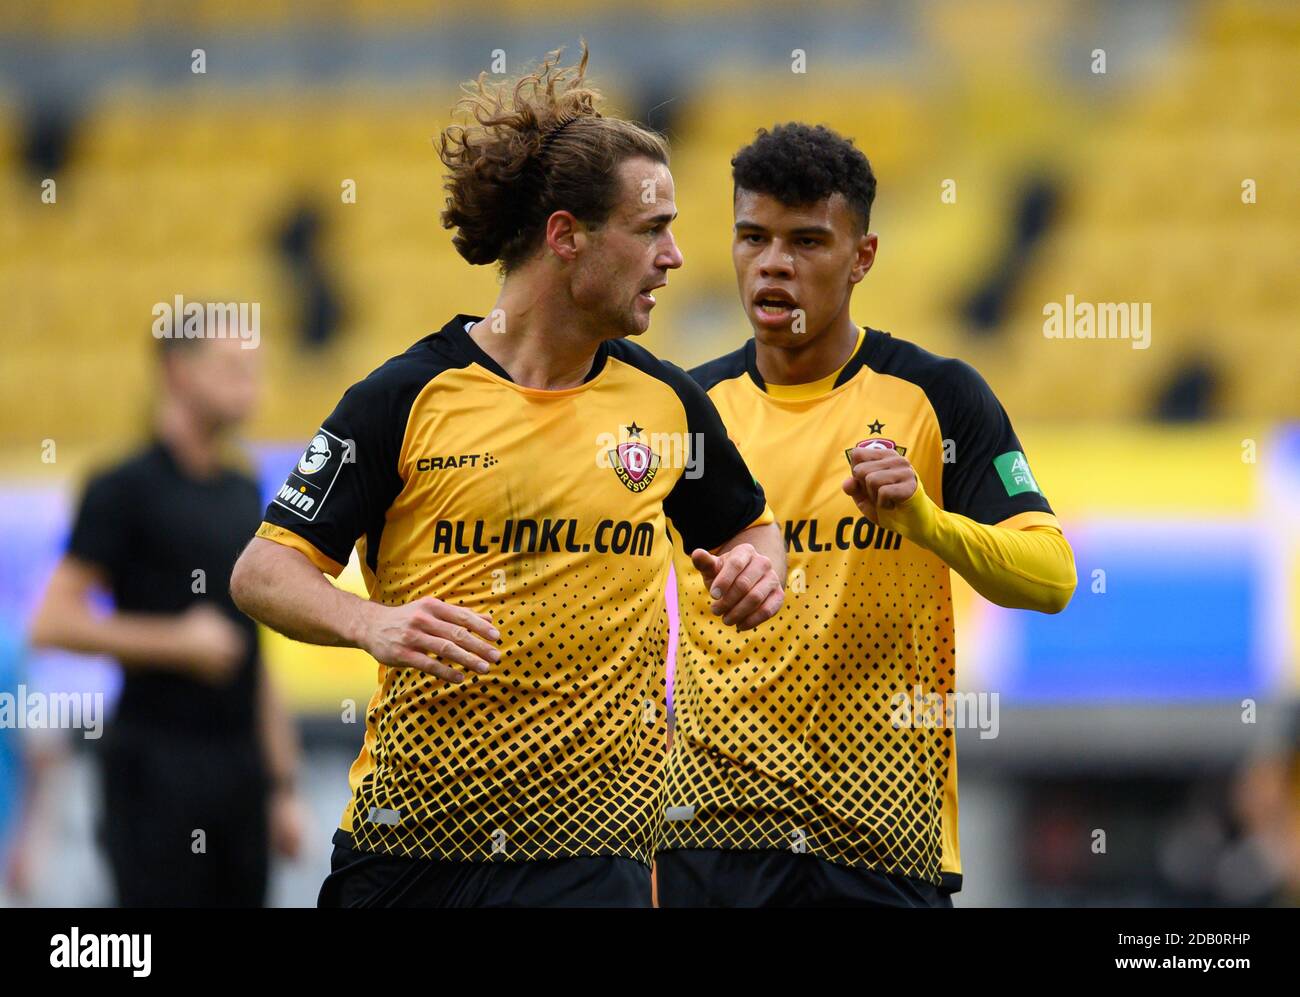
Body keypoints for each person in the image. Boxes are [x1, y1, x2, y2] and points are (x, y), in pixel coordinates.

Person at [230, 46, 785, 908]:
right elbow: (263, 572)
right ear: (566, 235)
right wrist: (371, 623)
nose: (676, 255)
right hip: (408, 845)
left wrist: (761, 564)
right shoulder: (404, 395)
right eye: (651, 229)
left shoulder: (668, 404)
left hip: (590, 853)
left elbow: (749, 526)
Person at [656, 123, 1077, 907]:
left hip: (879, 832)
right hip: (712, 834)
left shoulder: (938, 396)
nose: (774, 262)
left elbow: (1051, 578)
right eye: (754, 236)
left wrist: (923, 519)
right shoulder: (683, 411)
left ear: (863, 258)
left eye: (808, 241)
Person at [29, 331, 305, 907]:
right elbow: (52, 622)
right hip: (155, 765)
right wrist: (175, 642)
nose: (249, 383)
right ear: (177, 372)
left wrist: (281, 785)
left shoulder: (241, 488)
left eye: (254, 367)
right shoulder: (122, 488)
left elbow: (253, 654)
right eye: (232, 367)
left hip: (239, 771)